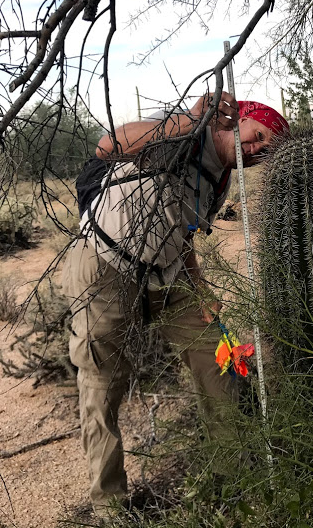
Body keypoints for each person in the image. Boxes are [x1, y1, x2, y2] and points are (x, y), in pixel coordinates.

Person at [62, 92, 289, 517]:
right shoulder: (183, 133)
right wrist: (191, 122)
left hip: (168, 275)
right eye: (258, 135)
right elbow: (108, 145)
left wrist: (200, 285)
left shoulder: (220, 177)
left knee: (218, 359)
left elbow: (181, 228)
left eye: (265, 149)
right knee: (101, 380)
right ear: (238, 121)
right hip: (105, 262)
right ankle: (110, 506)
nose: (257, 149)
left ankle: (235, 480)